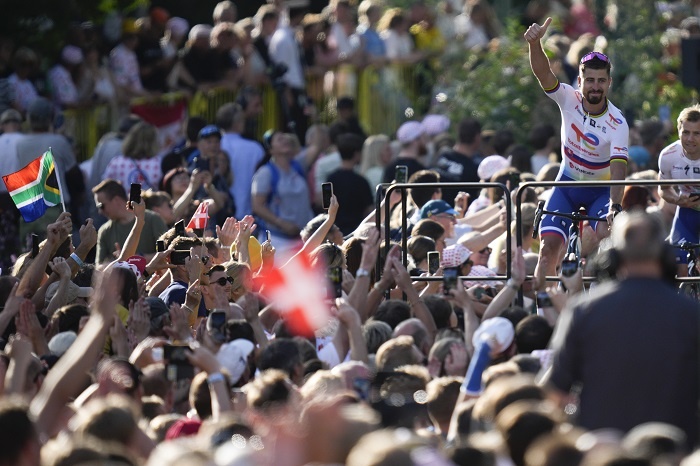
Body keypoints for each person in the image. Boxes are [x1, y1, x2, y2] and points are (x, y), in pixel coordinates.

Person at [543, 211, 699, 446]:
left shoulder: (584, 310)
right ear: (665, 255)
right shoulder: (692, 315)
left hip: (602, 453)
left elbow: (554, 394)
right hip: (674, 453)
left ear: (612, 256)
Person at [525, 18, 629, 290]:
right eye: (590, 80)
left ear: (609, 83)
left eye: (601, 81)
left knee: (609, 241)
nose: (595, 86)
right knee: (547, 252)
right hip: (567, 184)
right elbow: (543, 74)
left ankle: (608, 302)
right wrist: (535, 44)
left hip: (600, 192)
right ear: (580, 80)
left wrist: (615, 206)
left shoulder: (617, 122)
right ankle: (544, 319)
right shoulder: (568, 98)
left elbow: (619, 169)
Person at [657, 104, 700, 275]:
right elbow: (664, 189)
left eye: (697, 134)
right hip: (686, 214)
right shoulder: (668, 156)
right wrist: (677, 199)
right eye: (686, 132)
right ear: (678, 130)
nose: (690, 139)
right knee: (679, 271)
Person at [93, 179, 167, 263]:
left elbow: (168, 253)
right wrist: (120, 261)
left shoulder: (153, 219)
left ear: (116, 200)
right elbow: (99, 267)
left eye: (101, 206)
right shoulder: (104, 231)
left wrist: (136, 258)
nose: (100, 211)